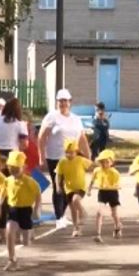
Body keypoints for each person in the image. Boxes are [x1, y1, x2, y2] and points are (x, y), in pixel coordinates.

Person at [38, 89, 90, 228]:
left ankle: (62, 213)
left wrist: (88, 155)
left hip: (72, 158)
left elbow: (82, 138)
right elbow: (42, 138)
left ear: (70, 102)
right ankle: (59, 217)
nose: (63, 104)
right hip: (55, 157)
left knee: (71, 187)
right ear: (57, 102)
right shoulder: (51, 117)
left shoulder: (76, 119)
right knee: (58, 186)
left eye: (65, 101)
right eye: (60, 101)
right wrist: (41, 157)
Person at [0, 150, 41, 271]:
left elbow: (38, 194)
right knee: (9, 232)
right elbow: (2, 194)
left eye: (16, 167)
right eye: (11, 167)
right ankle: (12, 260)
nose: (13, 169)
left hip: (26, 210)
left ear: (23, 167)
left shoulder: (29, 181)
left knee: (25, 241)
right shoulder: (7, 180)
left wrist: (37, 209)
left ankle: (30, 232)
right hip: (13, 210)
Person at [54, 139, 94, 238]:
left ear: (76, 152)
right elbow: (58, 175)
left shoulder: (80, 160)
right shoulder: (62, 162)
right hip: (69, 188)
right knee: (72, 209)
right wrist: (58, 186)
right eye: (67, 153)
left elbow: (92, 165)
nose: (69, 155)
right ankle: (76, 228)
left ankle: (83, 212)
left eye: (71, 152)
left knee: (76, 200)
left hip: (80, 187)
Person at [86, 149, 122, 242]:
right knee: (99, 213)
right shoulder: (97, 171)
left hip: (112, 193)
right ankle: (98, 234)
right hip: (102, 193)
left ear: (111, 162)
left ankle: (118, 226)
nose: (104, 164)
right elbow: (92, 181)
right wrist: (89, 189)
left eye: (107, 162)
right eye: (102, 162)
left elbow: (117, 185)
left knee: (114, 213)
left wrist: (110, 186)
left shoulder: (114, 172)